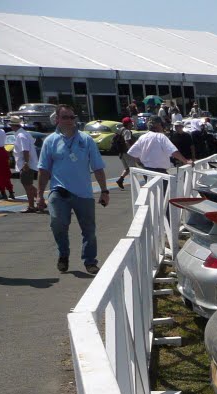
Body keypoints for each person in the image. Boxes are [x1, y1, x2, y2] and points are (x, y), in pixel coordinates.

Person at [36, 104, 109, 274]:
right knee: (57, 223)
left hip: (83, 193)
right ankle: (63, 254)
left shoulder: (86, 140)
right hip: (59, 191)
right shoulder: (50, 141)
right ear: (57, 119)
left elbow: (98, 167)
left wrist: (104, 191)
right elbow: (43, 170)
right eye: (65, 117)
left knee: (89, 230)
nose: (70, 121)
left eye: (72, 117)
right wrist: (40, 195)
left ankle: (90, 261)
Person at [127, 118, 192, 173]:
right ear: (158, 125)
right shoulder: (161, 137)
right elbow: (173, 152)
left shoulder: (142, 137)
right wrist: (186, 161)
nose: (162, 127)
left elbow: (132, 152)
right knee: (163, 187)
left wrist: (140, 163)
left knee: (150, 188)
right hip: (160, 172)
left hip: (147, 171)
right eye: (161, 125)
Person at [10, 116, 38, 211]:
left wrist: (26, 163)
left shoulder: (21, 135)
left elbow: (25, 150)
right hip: (26, 163)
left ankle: (31, 206)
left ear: (13, 126)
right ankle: (39, 201)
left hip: (25, 164)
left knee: (27, 185)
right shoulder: (23, 134)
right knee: (28, 184)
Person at [113, 117, 135, 190]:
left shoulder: (120, 130)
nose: (132, 124)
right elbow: (127, 141)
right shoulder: (127, 131)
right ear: (128, 124)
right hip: (127, 152)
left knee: (127, 168)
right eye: (131, 123)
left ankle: (120, 180)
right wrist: (131, 151)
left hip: (121, 152)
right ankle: (134, 184)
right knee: (133, 169)